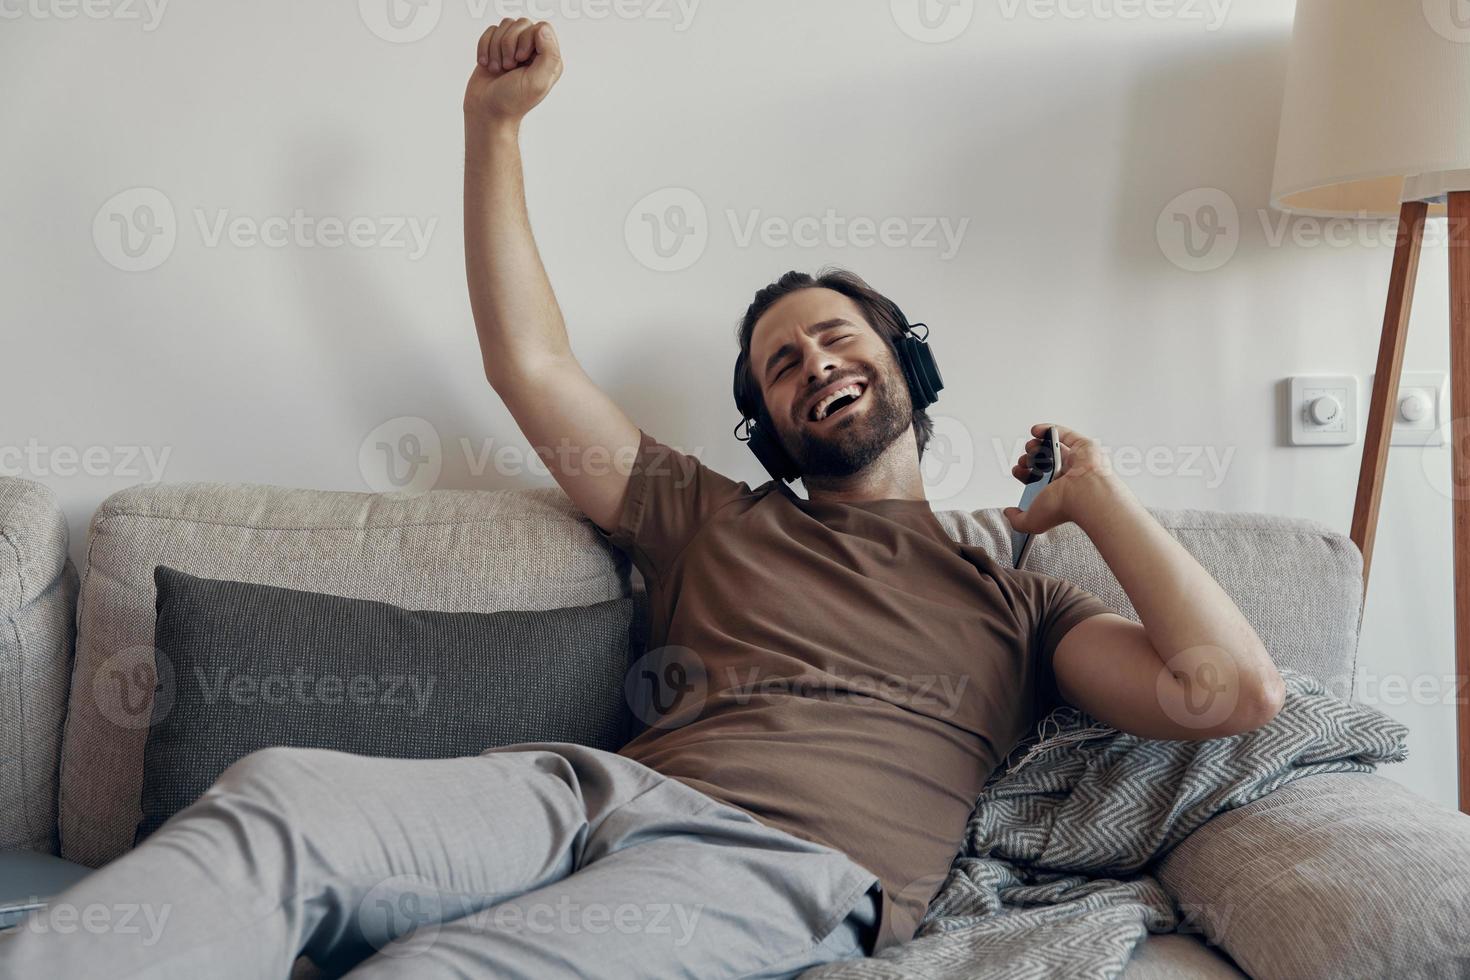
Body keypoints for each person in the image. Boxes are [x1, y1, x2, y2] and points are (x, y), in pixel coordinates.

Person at [0, 18, 1286, 979]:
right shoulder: (710, 516)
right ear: (769, 426)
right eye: (784, 363)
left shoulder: (1025, 597)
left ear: (911, 366)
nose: (816, 364)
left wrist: (1101, 494)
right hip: (576, 790)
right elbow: (532, 365)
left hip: (784, 867)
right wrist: (493, 129)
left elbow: (1230, 690)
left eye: (839, 339)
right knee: (281, 796)